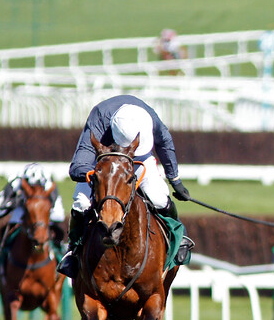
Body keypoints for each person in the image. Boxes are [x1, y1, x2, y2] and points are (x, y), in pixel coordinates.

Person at [56, 95, 191, 278]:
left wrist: (175, 180)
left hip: (138, 160)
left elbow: (164, 142)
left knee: (159, 198)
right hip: (103, 164)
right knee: (81, 203)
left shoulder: (148, 117)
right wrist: (97, 178)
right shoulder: (99, 120)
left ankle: (178, 237)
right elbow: (77, 166)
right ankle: (73, 251)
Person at [0, 163, 66, 261]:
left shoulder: (49, 185)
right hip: (20, 212)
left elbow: (59, 215)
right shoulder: (15, 182)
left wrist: (43, 207)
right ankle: (0, 252)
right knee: (12, 219)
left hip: (43, 215)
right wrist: (16, 202)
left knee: (55, 228)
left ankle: (61, 253)